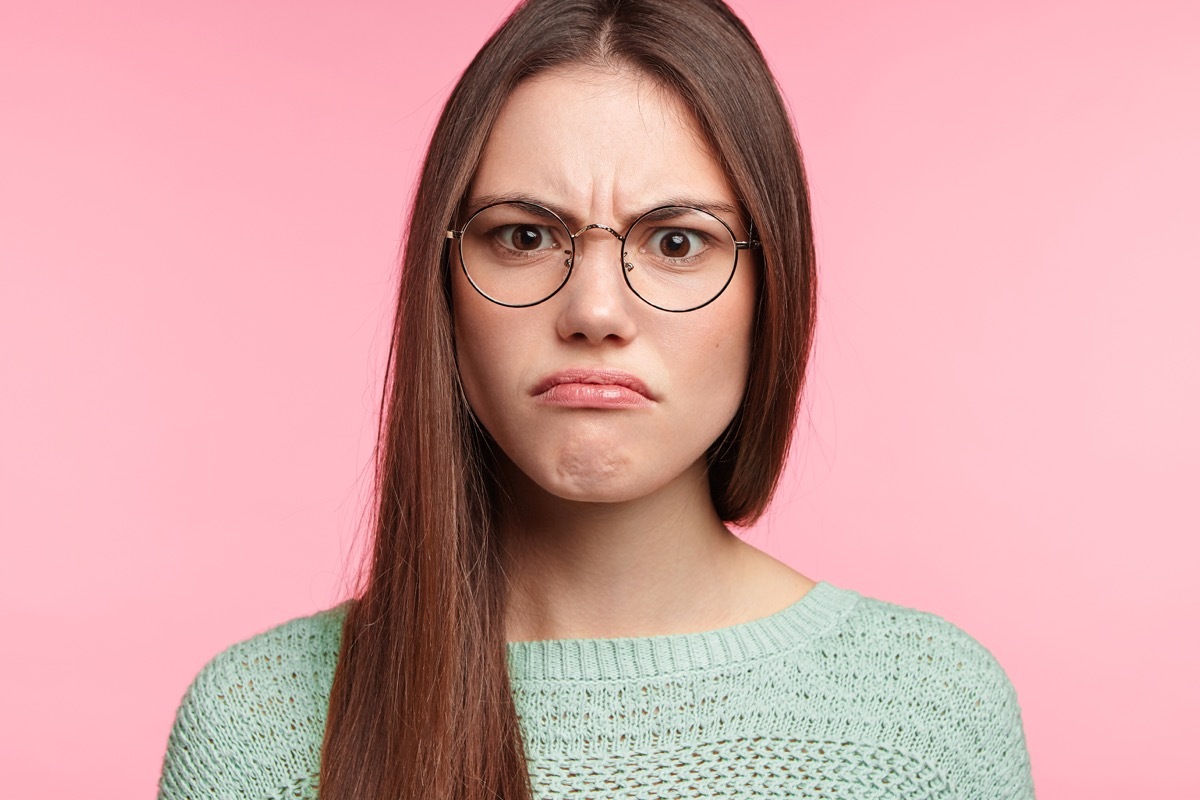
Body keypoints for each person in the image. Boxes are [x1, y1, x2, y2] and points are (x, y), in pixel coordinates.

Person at [158, 0, 1035, 797]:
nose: (595, 311)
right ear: (445, 285)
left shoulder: (926, 721)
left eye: (679, 241)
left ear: (774, 289)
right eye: (526, 236)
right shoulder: (256, 731)